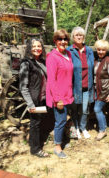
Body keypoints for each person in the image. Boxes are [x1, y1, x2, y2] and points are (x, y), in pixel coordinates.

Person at [19, 38, 51, 157]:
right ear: (29, 48)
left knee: (39, 122)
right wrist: (30, 104)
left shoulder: (42, 61)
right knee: (35, 123)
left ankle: (35, 142)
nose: (37, 48)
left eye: (39, 46)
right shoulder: (26, 63)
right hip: (34, 99)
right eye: (34, 46)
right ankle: (35, 149)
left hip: (43, 97)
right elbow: (23, 87)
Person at [46, 29, 74, 158]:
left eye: (65, 39)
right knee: (60, 121)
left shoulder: (68, 53)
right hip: (59, 96)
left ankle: (62, 141)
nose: (63, 42)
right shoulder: (52, 57)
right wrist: (58, 99)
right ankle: (57, 147)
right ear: (55, 41)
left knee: (63, 119)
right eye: (60, 39)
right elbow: (51, 80)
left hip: (67, 94)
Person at [67, 27, 94, 139]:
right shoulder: (69, 50)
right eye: (76, 35)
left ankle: (83, 127)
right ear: (73, 37)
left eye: (81, 35)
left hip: (87, 85)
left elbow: (92, 67)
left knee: (85, 109)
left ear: (84, 37)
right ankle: (75, 128)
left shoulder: (89, 50)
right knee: (74, 109)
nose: (79, 37)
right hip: (74, 86)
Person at [93, 40, 109, 141]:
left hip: (104, 90)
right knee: (98, 109)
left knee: (97, 109)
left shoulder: (108, 61)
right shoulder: (96, 60)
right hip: (97, 89)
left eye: (103, 50)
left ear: (106, 50)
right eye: (99, 49)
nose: (101, 52)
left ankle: (102, 130)